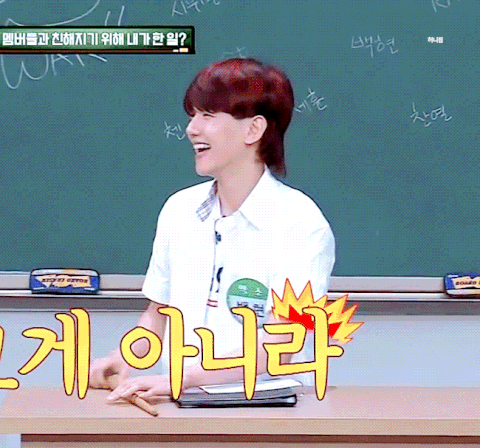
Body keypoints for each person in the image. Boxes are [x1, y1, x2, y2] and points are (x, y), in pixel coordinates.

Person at [89, 58, 335, 402]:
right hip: (179, 405)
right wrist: (123, 358)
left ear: (253, 129)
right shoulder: (179, 210)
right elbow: (157, 315)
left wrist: (184, 378)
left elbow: (281, 344)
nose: (192, 129)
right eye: (192, 115)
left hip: (267, 409)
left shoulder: (301, 224)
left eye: (207, 115)